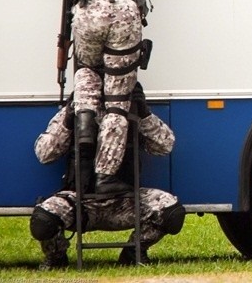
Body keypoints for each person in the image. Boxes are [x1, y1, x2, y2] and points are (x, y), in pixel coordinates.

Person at [46, 0, 164, 194]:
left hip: (87, 16)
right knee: (116, 102)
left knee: (85, 73)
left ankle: (83, 134)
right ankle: (105, 175)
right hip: (126, 15)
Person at [29, 83, 184, 270]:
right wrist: (69, 119)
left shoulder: (131, 110)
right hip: (81, 201)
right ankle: (57, 256)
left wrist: (144, 113)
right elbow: (44, 153)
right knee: (43, 222)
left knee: (171, 213)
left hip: (125, 200)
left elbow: (165, 146)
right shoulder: (76, 111)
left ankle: (134, 251)